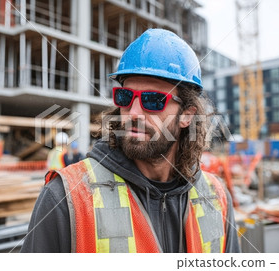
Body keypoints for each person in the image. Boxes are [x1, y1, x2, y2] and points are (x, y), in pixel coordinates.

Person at [21, 29, 240, 253]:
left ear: (187, 116)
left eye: (153, 100)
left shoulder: (216, 198)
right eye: (125, 97)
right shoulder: (65, 198)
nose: (133, 112)